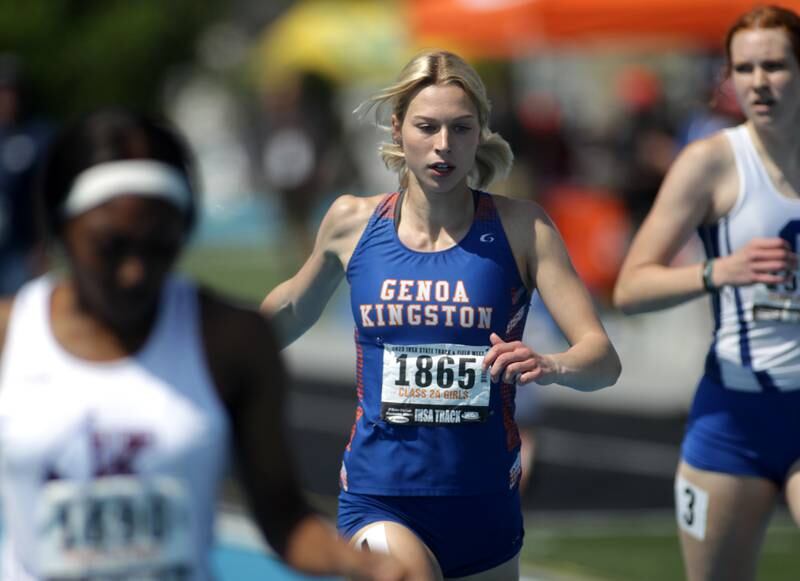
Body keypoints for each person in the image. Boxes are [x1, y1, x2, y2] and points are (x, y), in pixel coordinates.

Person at [0, 108, 407, 581]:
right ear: (59, 224)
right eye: (111, 245)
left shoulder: (230, 341)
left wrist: (367, 567)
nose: (134, 271)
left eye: (158, 245)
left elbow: (286, 521)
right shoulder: (12, 336)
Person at [262, 50, 621, 580]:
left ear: (480, 134)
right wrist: (205, 343)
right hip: (380, 494)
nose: (443, 146)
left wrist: (551, 365)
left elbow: (603, 359)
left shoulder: (522, 229)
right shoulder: (351, 222)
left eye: (460, 128)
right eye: (427, 127)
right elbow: (291, 307)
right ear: (397, 127)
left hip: (484, 504)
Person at [613, 6, 800, 580]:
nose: (758, 82)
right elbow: (630, 287)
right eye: (743, 68)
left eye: (774, 65)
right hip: (732, 415)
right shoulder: (711, 163)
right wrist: (717, 271)